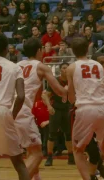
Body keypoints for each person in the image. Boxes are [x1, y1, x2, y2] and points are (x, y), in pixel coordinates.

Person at [66, 37, 104, 180]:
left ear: (72, 51)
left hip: (86, 109)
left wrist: (72, 100)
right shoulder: (99, 65)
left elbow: (71, 97)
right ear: (88, 49)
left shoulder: (71, 68)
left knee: (78, 150)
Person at [16, 37, 67, 179]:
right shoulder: (41, 67)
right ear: (39, 50)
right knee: (37, 154)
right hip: (22, 112)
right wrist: (69, 88)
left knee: (31, 150)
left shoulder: (16, 65)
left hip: (8, 111)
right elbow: (58, 90)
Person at [0, 33, 30, 180]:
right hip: (2, 111)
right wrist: (12, 115)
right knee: (18, 163)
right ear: (6, 49)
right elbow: (21, 96)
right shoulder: (14, 67)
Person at [42, 62, 75, 166]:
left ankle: (71, 157)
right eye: (64, 68)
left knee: (68, 135)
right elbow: (45, 95)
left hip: (67, 110)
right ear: (60, 70)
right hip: (56, 110)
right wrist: (49, 106)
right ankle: (49, 157)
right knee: (52, 135)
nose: (65, 70)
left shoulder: (72, 81)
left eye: (67, 68)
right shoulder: (55, 81)